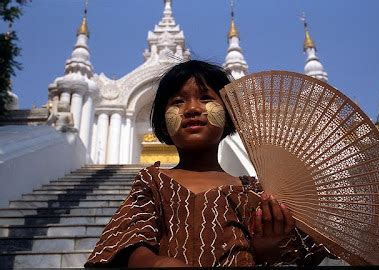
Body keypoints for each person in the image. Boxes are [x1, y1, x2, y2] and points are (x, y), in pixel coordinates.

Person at [84, 60, 331, 268]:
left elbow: (280, 256)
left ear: (228, 114)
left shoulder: (254, 190)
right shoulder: (153, 182)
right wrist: (153, 262)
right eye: (178, 102)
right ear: (162, 120)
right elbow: (130, 237)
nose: (192, 109)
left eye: (205, 98)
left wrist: (268, 244)